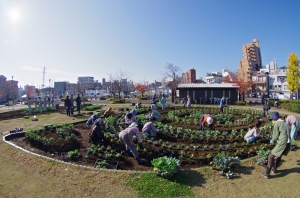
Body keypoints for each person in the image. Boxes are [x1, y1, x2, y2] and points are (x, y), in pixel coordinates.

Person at [262, 112, 290, 178]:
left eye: (272, 120)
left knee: (270, 156)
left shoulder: (277, 123)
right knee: (278, 156)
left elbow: (275, 137)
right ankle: (274, 170)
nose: (272, 121)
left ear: (275, 119)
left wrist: (272, 141)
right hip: (288, 143)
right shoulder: (284, 122)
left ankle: (267, 173)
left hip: (283, 143)